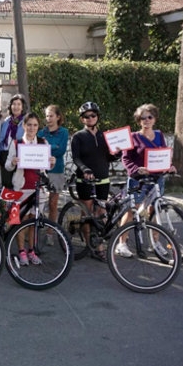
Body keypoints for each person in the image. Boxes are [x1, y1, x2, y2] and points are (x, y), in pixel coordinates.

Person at [117, 104, 176, 257]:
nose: (146, 120)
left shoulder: (159, 135)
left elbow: (162, 154)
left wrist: (169, 166)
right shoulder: (133, 137)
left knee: (155, 210)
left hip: (156, 179)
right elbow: (126, 158)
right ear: (139, 120)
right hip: (138, 179)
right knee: (132, 209)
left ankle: (155, 243)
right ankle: (121, 243)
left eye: (149, 117)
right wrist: (136, 170)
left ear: (154, 119)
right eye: (143, 118)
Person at [71, 101, 121, 262]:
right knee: (87, 212)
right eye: (86, 116)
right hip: (84, 179)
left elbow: (109, 157)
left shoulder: (104, 136)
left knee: (100, 212)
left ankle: (98, 245)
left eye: (93, 115)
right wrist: (85, 169)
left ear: (97, 117)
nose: (90, 118)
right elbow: (76, 158)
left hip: (103, 179)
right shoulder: (78, 137)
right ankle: (89, 245)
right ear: (82, 120)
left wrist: (117, 154)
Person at [4, 112, 56, 265]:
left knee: (34, 221)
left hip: (38, 188)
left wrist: (51, 162)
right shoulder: (16, 143)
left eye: (35, 125)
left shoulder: (43, 141)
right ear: (24, 126)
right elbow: (7, 166)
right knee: (20, 221)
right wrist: (13, 161)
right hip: (21, 188)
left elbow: (47, 165)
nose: (32, 128)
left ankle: (32, 251)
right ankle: (22, 252)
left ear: (38, 126)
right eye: (29, 125)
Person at [37, 104, 69, 244]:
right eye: (47, 116)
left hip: (56, 170)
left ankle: (50, 233)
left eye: (51, 115)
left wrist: (46, 149)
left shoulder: (64, 132)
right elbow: (35, 149)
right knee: (37, 202)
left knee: (53, 202)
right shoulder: (41, 133)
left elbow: (60, 151)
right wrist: (51, 148)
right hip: (41, 170)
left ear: (58, 117)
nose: (48, 118)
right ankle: (34, 230)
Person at [0, 93, 27, 188]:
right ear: (10, 106)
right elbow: (2, 138)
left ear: (22, 107)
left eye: (19, 104)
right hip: (5, 154)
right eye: (14, 104)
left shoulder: (26, 121)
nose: (16, 107)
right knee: (6, 184)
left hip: (19, 154)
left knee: (17, 183)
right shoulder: (6, 121)